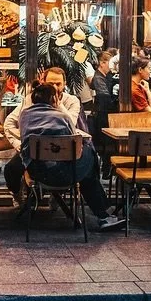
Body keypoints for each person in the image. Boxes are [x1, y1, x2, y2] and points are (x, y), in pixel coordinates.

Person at [17, 81, 125, 232]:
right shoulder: (62, 117)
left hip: (37, 173)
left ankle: (105, 216)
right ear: (54, 99)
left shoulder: (24, 116)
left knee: (86, 171)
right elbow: (71, 144)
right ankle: (104, 215)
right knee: (90, 153)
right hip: (65, 173)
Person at [2, 66, 84, 201]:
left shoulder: (71, 101)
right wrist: (20, 145)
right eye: (51, 83)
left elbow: (71, 123)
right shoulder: (31, 99)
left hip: (62, 152)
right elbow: (9, 123)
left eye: (58, 84)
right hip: (33, 151)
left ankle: (56, 199)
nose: (55, 87)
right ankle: (18, 196)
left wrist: (58, 104)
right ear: (43, 82)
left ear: (65, 84)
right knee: (11, 169)